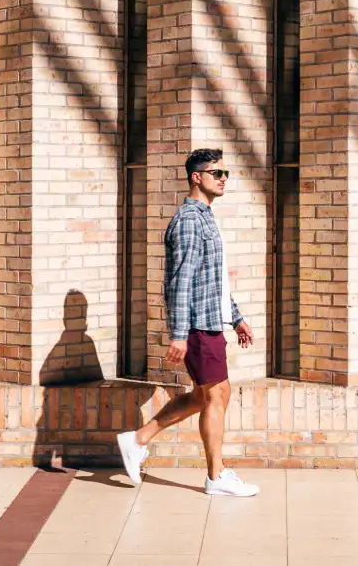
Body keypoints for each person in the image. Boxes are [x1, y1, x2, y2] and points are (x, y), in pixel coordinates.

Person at [116, 148, 259, 497]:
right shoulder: (189, 220)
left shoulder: (205, 216)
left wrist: (236, 317)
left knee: (206, 394)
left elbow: (212, 279)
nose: (223, 179)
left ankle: (138, 439)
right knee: (216, 394)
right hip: (196, 325)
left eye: (226, 174)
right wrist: (178, 334)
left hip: (211, 320)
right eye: (217, 173)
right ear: (197, 177)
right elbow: (180, 281)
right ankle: (216, 476)